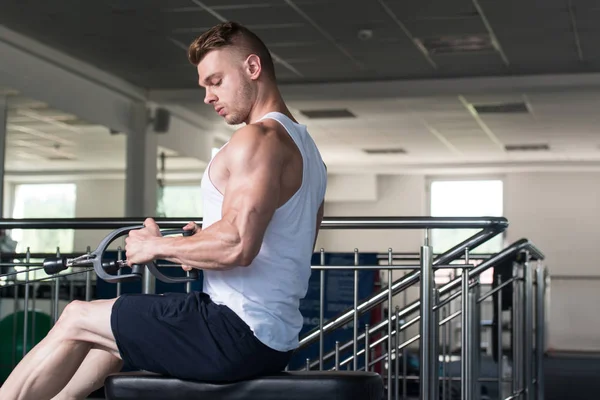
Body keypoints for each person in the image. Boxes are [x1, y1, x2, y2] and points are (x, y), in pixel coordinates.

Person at [0, 21, 327, 400]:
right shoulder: (308, 151)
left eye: (216, 81)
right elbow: (281, 246)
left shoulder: (259, 138)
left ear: (252, 68)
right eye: (204, 85)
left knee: (75, 316)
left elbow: (238, 244)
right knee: (111, 332)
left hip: (233, 331)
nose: (207, 96)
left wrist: (157, 247)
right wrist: (197, 242)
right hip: (272, 340)